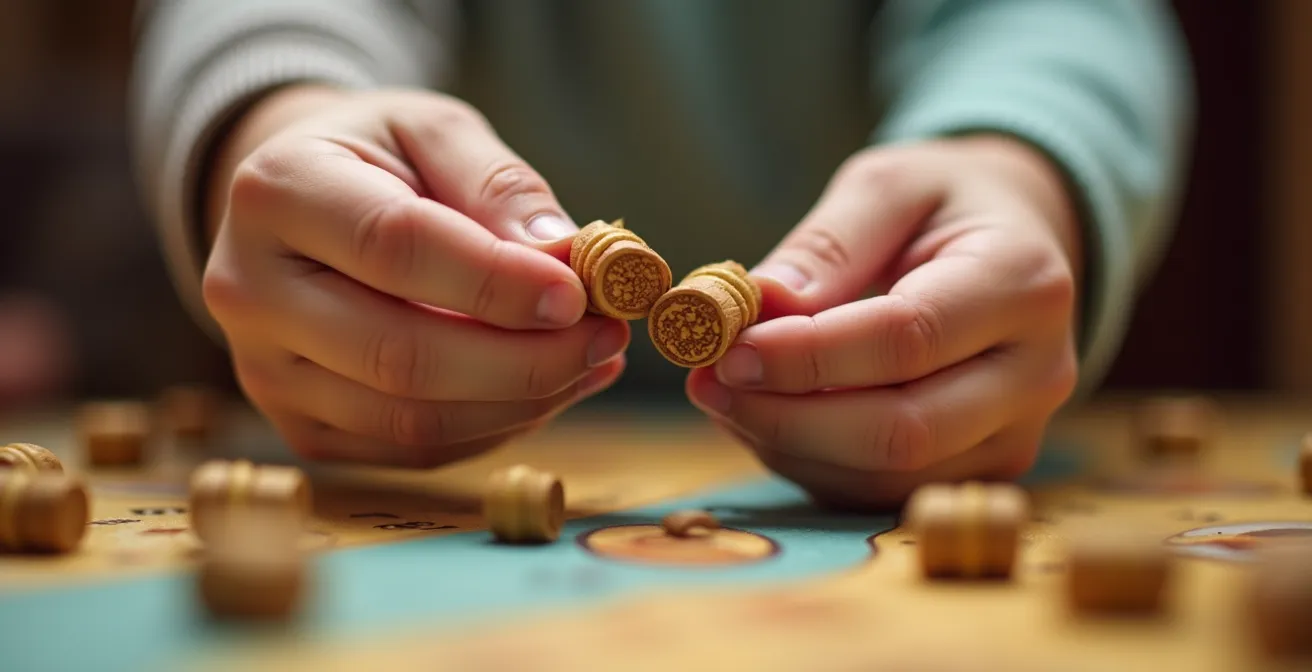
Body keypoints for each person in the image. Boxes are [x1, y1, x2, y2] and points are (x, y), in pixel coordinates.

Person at [129, 0, 1193, 508]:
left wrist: (1023, 162)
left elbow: (1053, 20)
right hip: (393, 443)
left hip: (916, 431)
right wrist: (280, 111)